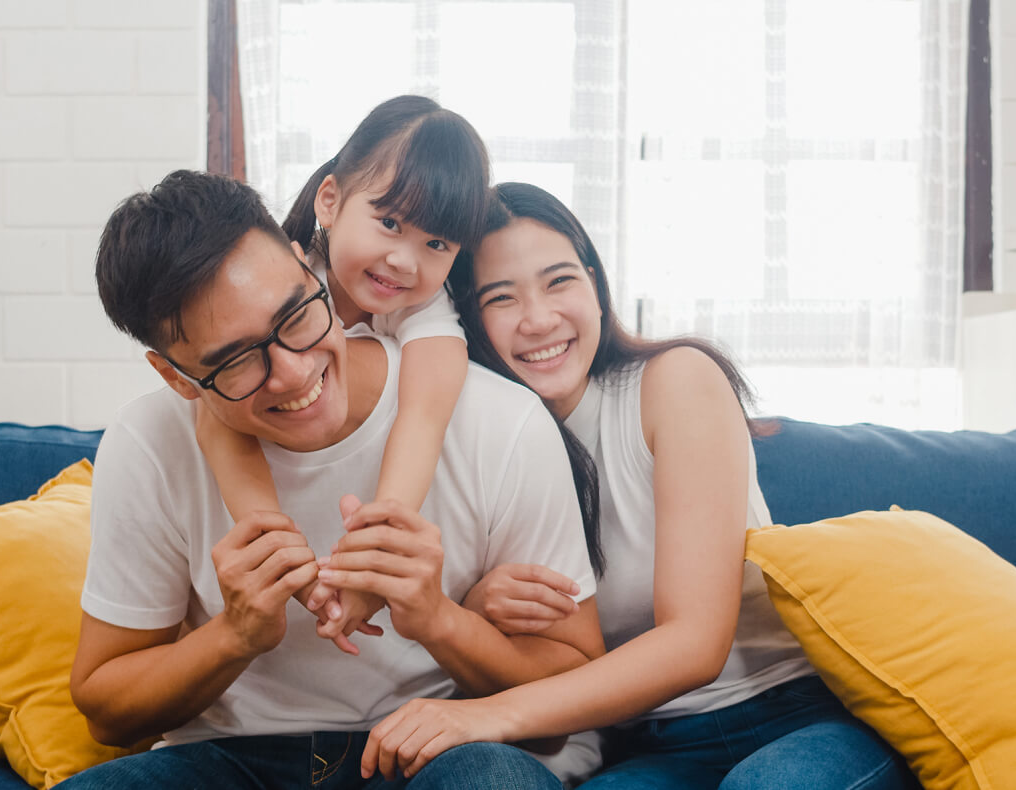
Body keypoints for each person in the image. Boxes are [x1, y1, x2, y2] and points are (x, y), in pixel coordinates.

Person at [355, 183, 915, 790]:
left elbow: (696, 643)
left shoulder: (674, 382)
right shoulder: (484, 443)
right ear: (469, 322)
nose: (539, 318)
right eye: (501, 297)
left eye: (560, 280)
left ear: (596, 286)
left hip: (789, 714)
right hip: (645, 746)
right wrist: (479, 611)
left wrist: (485, 716)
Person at [59, 171, 604, 789]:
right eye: (236, 362)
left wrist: (435, 617)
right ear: (177, 378)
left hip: (433, 750)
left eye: (296, 316)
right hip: (231, 760)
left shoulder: (499, 421)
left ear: (308, 268)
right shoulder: (147, 443)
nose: (293, 374)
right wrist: (232, 637)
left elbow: (568, 696)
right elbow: (105, 709)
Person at [194, 95, 487, 652]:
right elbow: (217, 422)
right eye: (390, 222)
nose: (405, 260)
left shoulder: (427, 311)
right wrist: (292, 570)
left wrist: (377, 554)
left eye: (436, 244)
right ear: (330, 200)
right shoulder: (285, 281)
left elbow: (423, 416)